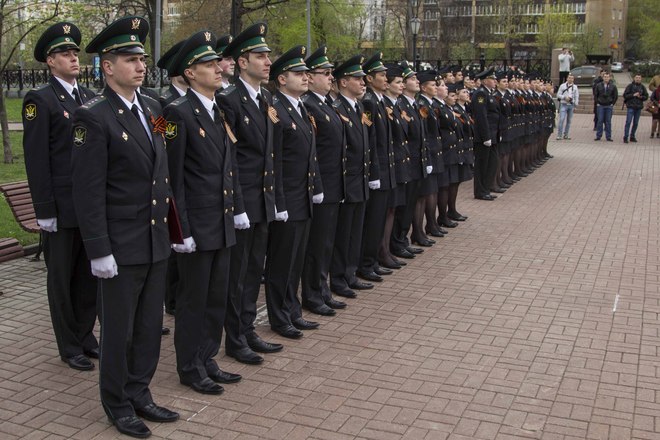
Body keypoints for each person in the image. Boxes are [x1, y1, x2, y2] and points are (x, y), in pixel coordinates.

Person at [71, 16, 179, 438]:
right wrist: (98, 249)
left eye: (142, 59)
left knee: (150, 326)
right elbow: (87, 191)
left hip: (154, 239)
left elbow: (163, 162)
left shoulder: (154, 109)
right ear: (107, 66)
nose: (140, 66)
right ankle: (117, 403)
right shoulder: (92, 118)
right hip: (120, 244)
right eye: (130, 59)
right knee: (120, 331)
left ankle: (140, 392)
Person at [164, 30, 242, 395]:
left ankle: (207, 358)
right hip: (197, 224)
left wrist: (236, 210)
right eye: (209, 65)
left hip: (221, 221)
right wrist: (181, 229)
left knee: (215, 297)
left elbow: (229, 167)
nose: (219, 69)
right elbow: (172, 178)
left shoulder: (218, 110)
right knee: (193, 300)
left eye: (217, 63)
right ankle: (189, 366)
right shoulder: (176, 113)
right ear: (191, 73)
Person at [22, 22, 98, 372]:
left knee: (87, 277)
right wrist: (44, 210)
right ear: (50, 61)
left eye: (74, 52)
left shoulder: (88, 96)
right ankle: (69, 345)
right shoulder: (40, 99)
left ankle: (85, 335)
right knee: (62, 280)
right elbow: (37, 159)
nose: (73, 58)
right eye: (65, 53)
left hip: (87, 206)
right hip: (61, 208)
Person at [217, 22, 284, 365]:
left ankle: (247, 329)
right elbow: (229, 159)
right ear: (242, 62)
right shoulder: (228, 100)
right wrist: (237, 205)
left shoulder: (266, 98)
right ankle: (235, 337)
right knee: (238, 274)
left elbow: (270, 155)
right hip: (242, 201)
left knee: (254, 268)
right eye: (261, 56)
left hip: (263, 200)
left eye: (268, 56)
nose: (268, 61)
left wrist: (276, 200)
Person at [265, 45, 322, 339]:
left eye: (306, 73)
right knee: (282, 263)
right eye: (299, 73)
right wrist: (279, 202)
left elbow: (310, 155)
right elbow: (273, 160)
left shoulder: (301, 108)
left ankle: (293, 310)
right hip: (287, 199)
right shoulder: (276, 109)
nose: (305, 77)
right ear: (282, 79)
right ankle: (279, 316)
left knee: (296, 261)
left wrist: (316, 187)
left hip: (303, 197)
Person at [300, 46, 348, 316]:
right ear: (310, 77)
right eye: (325, 73)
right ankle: (313, 294)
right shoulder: (309, 105)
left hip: (333, 184)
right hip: (321, 186)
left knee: (327, 242)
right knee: (317, 245)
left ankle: (322, 290)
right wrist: (317, 185)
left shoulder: (326, 103)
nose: (331, 77)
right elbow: (313, 153)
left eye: (331, 73)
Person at [329, 55, 371, 299]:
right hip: (347, 180)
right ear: (343, 82)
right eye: (357, 78)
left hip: (360, 178)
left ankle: (350, 273)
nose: (363, 82)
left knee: (356, 231)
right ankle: (338, 277)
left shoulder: (358, 107)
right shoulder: (338, 108)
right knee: (343, 234)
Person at [357, 52, 397, 283]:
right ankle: (366, 263)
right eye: (381, 75)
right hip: (377, 171)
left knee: (380, 218)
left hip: (385, 169)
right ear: (370, 79)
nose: (385, 78)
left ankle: (372, 261)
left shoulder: (379, 101)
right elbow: (370, 141)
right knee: (372, 221)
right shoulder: (370, 102)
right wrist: (374, 172)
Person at [470, 68, 500, 201]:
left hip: (492, 134)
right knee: (483, 165)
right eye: (492, 79)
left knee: (492, 163)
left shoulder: (488, 93)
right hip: (484, 136)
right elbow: (481, 116)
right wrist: (486, 136)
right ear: (484, 81)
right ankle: (480, 191)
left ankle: (486, 189)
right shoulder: (480, 94)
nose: (495, 81)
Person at [622, 74, 649, 143]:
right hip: (631, 106)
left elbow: (646, 96)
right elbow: (625, 95)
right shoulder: (630, 86)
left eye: (639, 78)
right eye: (636, 78)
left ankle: (632, 136)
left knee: (636, 123)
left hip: (638, 107)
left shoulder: (642, 87)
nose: (638, 79)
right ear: (634, 78)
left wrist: (640, 97)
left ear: (641, 79)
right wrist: (633, 95)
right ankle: (625, 136)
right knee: (628, 122)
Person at [594, 71, 617, 141]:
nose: (606, 78)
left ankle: (608, 136)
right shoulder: (598, 85)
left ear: (609, 78)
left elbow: (615, 96)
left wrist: (612, 103)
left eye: (607, 77)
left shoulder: (613, 86)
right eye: (605, 77)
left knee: (608, 121)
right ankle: (598, 136)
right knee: (600, 121)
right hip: (600, 105)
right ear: (603, 78)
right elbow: (595, 95)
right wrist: (597, 103)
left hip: (609, 106)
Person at [556, 73, 579, 140]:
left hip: (571, 105)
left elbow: (576, 96)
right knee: (562, 119)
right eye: (569, 78)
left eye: (572, 78)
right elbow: (558, 95)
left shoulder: (575, 87)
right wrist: (564, 97)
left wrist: (575, 104)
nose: (570, 79)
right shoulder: (562, 86)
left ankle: (566, 134)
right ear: (567, 78)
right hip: (564, 104)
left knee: (569, 121)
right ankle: (559, 135)